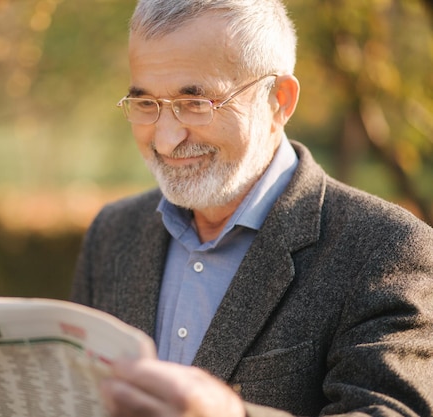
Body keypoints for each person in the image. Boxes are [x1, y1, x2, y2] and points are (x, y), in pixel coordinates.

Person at [70, 0, 433, 416]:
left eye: (196, 103)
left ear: (279, 100)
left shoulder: (388, 250)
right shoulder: (112, 233)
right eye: (146, 104)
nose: (166, 139)